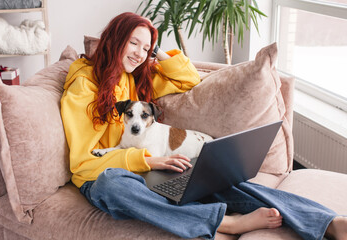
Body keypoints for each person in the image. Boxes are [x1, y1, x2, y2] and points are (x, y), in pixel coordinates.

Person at [61, 12, 347, 240]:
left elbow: (188, 78)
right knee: (114, 186)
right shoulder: (83, 86)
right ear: (115, 38)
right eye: (133, 42)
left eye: (145, 47)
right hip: (101, 175)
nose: (139, 53)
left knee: (217, 177)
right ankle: (224, 222)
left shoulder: (133, 75)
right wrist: (148, 161)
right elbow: (82, 164)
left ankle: (327, 221)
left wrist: (156, 51)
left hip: (142, 166)